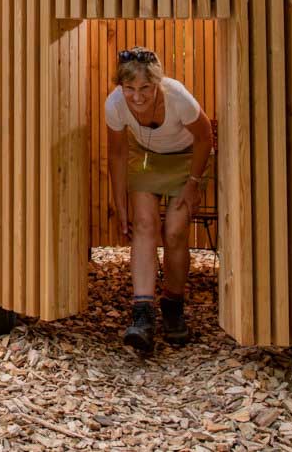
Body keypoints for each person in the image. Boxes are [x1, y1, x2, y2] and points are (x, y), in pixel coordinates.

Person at [105, 46, 214, 354]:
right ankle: (142, 316)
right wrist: (119, 203)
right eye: (130, 89)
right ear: (121, 86)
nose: (137, 96)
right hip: (147, 158)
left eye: (145, 88)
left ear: (157, 83)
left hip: (188, 158)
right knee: (143, 225)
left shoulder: (177, 97)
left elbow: (205, 136)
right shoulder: (114, 104)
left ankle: (173, 304)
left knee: (176, 231)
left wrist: (193, 184)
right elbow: (116, 152)